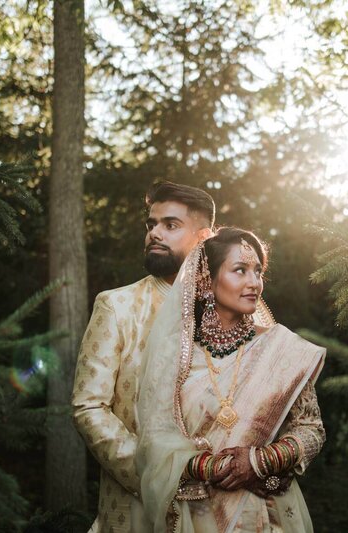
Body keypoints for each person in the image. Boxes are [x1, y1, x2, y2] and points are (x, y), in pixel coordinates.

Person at [134, 227, 326, 532]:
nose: (254, 283)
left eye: (258, 272)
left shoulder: (282, 349)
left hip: (268, 514)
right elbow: (153, 442)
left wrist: (261, 462)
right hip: (195, 516)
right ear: (205, 281)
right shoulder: (176, 356)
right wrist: (210, 467)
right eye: (240, 271)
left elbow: (311, 431)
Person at [72, 182, 216, 533]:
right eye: (151, 225)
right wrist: (159, 476)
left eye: (170, 225)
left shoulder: (226, 309)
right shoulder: (117, 306)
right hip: (133, 510)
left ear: (203, 237)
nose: (154, 233)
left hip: (218, 508)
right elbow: (89, 406)